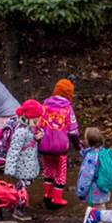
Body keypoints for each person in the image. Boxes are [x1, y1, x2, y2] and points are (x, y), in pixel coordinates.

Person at [75, 126, 112, 223]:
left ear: (89, 142)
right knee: (95, 212)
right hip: (102, 188)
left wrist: (81, 191)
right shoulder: (102, 152)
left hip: (95, 190)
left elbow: (86, 177)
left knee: (101, 214)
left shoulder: (92, 157)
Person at [37, 78, 81, 209]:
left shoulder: (44, 105)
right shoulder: (68, 109)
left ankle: (47, 194)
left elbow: (38, 125)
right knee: (60, 171)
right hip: (60, 147)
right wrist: (78, 146)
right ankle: (57, 199)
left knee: (48, 169)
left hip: (44, 145)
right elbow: (73, 131)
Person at [2, 100, 43, 222]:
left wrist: (37, 138)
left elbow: (35, 137)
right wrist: (10, 168)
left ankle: (16, 204)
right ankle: (18, 209)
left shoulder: (30, 128)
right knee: (22, 188)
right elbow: (13, 150)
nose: (38, 123)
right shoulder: (21, 132)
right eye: (35, 120)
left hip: (29, 165)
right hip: (22, 167)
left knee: (23, 186)